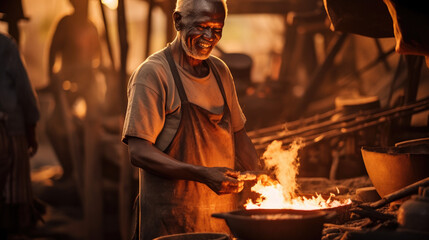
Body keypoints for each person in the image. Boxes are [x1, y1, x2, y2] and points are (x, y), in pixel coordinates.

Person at [122, 0, 259, 239]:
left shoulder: (221, 72)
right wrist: (202, 174)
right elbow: (139, 152)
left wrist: (262, 177)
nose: (209, 36)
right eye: (202, 26)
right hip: (171, 225)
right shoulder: (154, 74)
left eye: (217, 29)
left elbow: (239, 135)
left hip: (220, 225)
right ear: (178, 21)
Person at [46, 0, 101, 182]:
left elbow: (98, 59)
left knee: (95, 125)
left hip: (87, 85)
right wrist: (54, 83)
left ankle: (88, 170)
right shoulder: (66, 24)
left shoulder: (92, 26)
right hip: (68, 85)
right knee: (54, 126)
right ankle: (69, 170)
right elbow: (52, 53)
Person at [0, 32, 40, 237]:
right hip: (10, 129)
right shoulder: (5, 45)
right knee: (14, 191)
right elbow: (24, 89)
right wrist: (31, 127)